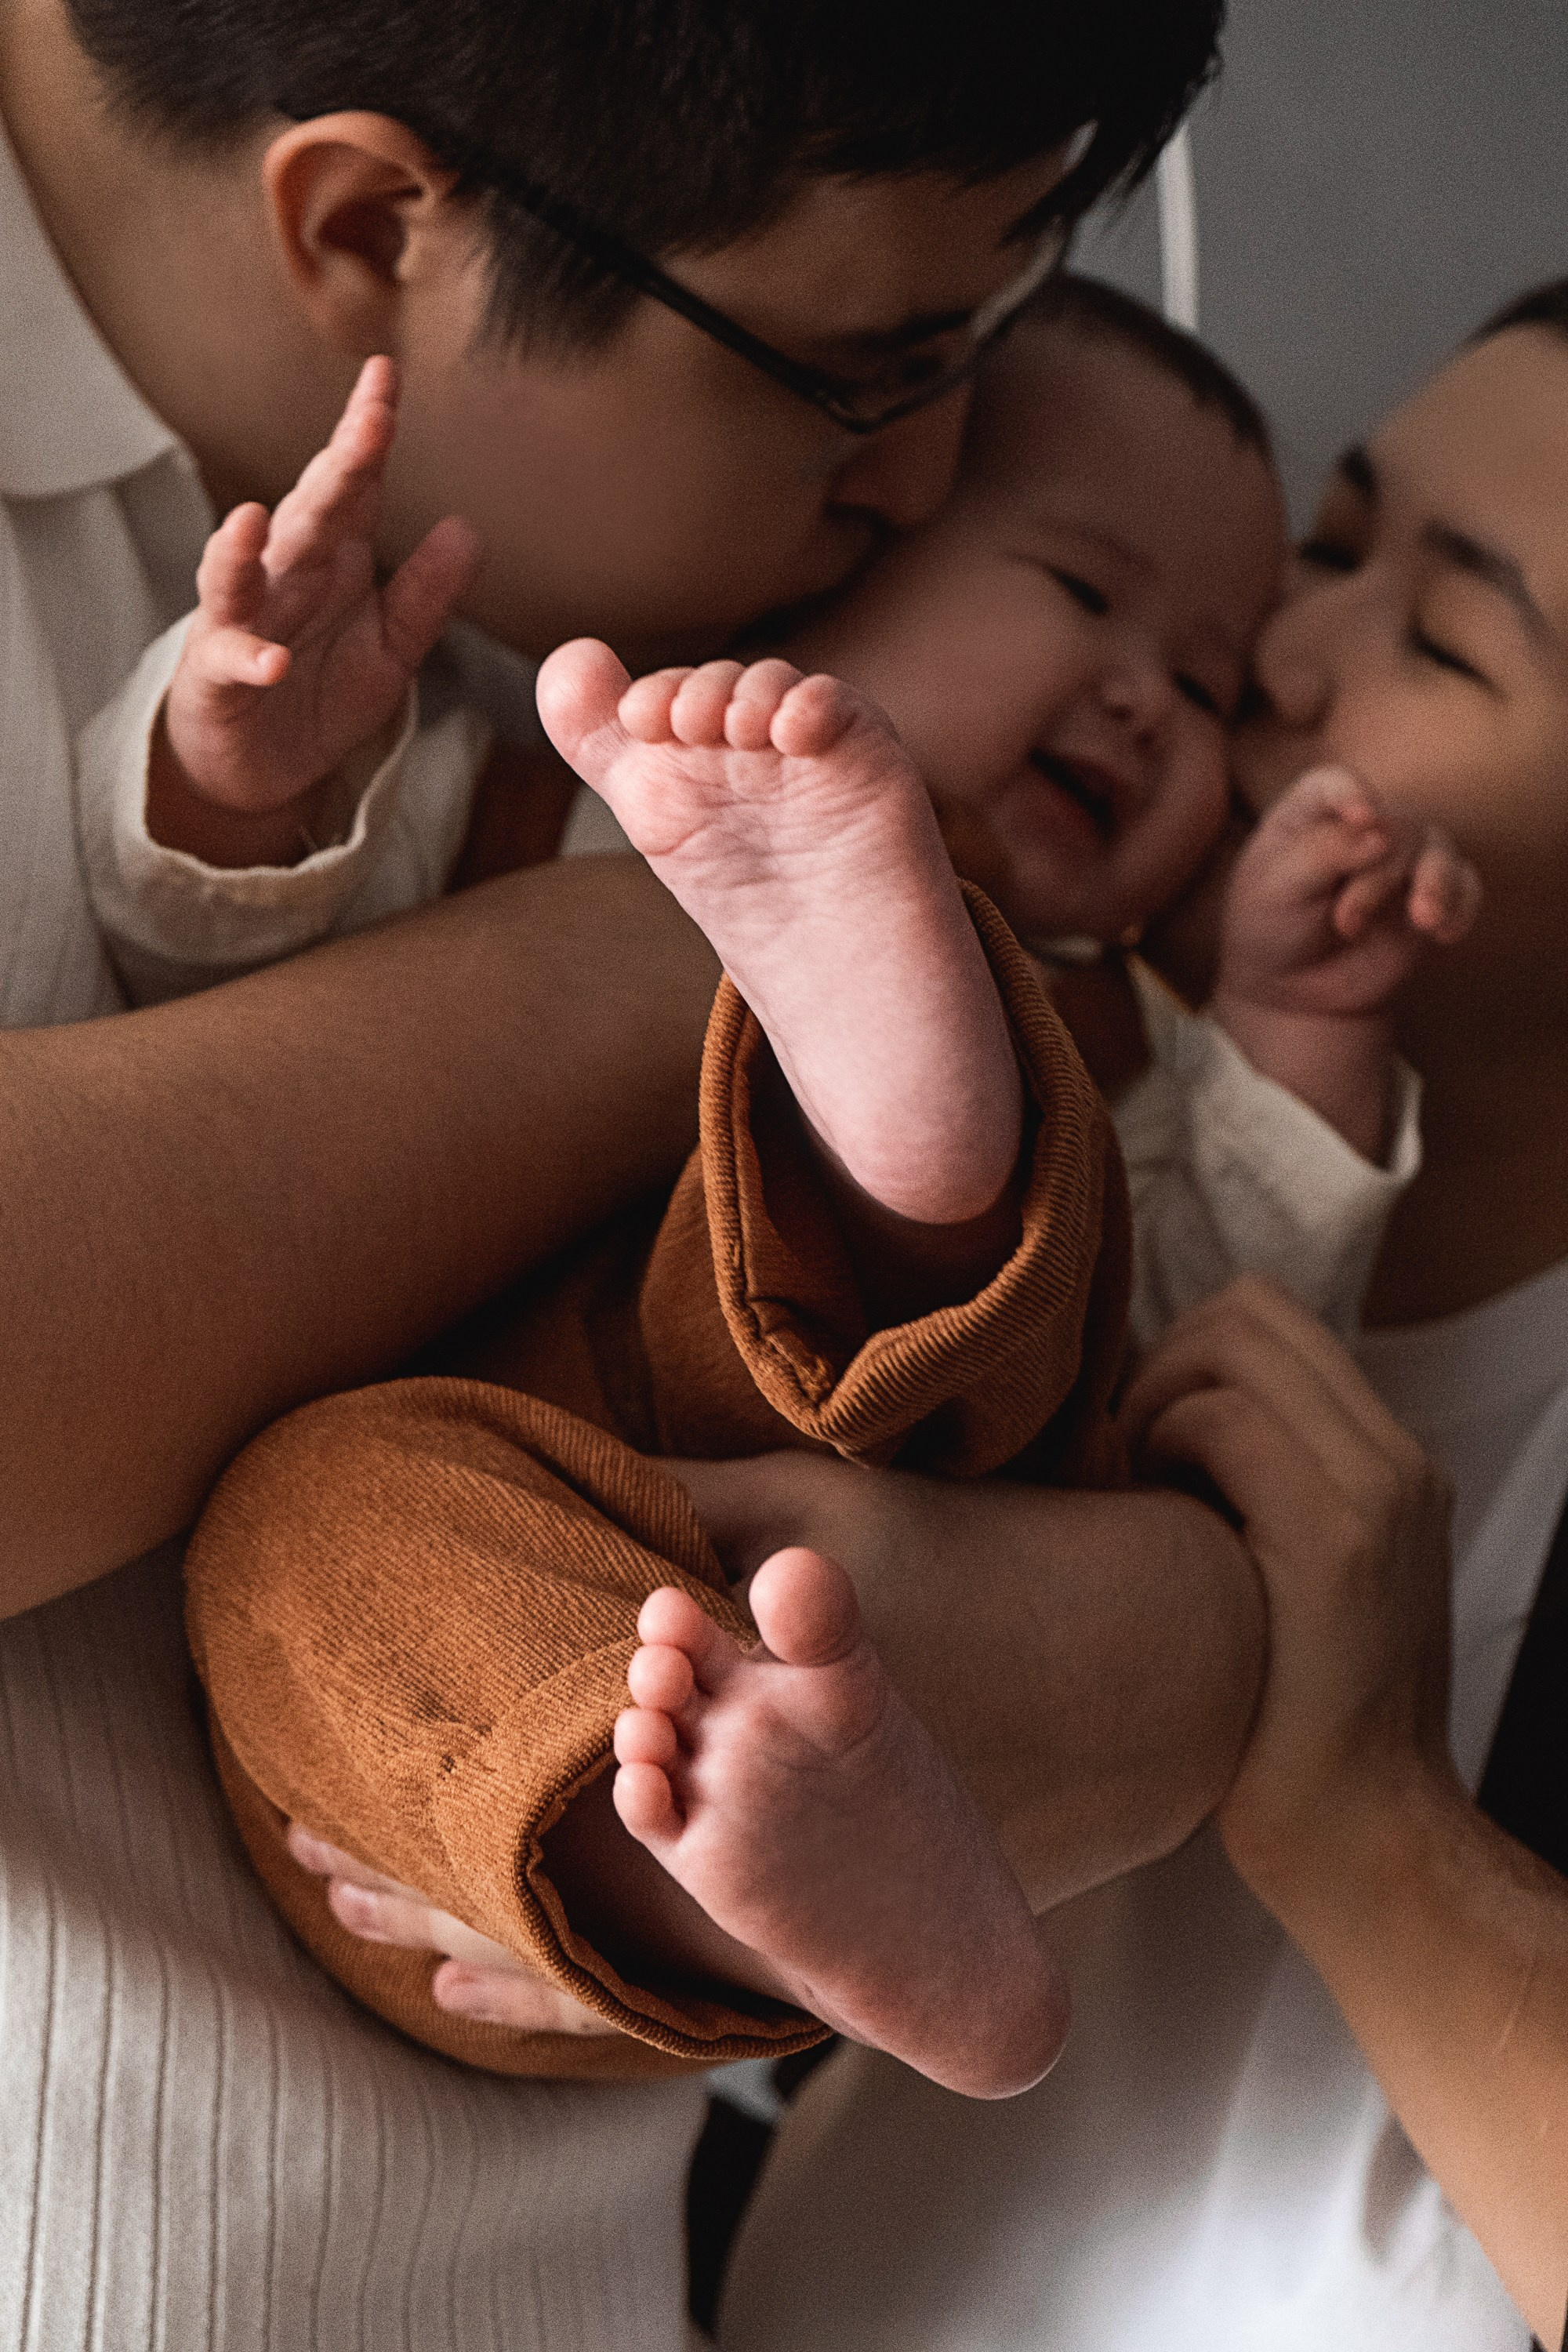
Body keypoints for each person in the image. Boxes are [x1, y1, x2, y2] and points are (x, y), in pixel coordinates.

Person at [0, 0, 1269, 2339]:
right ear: (376, 228)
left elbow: (1233, 1506)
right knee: (369, 1535)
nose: (932, 468)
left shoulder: (603, 579)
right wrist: (634, 952)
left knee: (827, 1312)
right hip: (268, 2093)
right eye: (881, 369)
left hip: (569, 2241)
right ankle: (870, 1118)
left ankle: (888, 1145)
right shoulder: (548, 614)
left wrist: (1190, 1648)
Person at [158, 275, 1469, 2093]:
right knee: (316, 1530)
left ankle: (896, 1146)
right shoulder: (542, 793)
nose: (1145, 703)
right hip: (550, 1676)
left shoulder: (1132, 1026)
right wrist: (247, 787)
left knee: (1049, 1223)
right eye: (1087, 592)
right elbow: (229, 1000)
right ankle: (735, 1876)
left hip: (871, 1492)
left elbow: (1205, 1339)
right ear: (817, 577)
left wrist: (1290, 1023)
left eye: (1208, 683)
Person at [717, 278, 1568, 2352]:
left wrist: (1366, 1812)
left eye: (1441, 637)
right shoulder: (1010, 1122)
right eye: (1342, 544)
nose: (1277, 651)